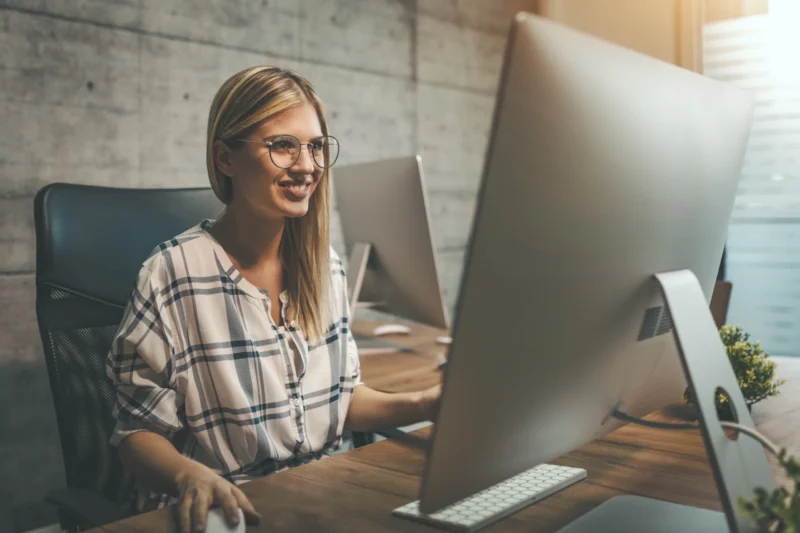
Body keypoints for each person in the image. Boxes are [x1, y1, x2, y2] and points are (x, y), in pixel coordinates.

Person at [107, 66, 442, 533]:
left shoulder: (325, 267)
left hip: (325, 496)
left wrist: (426, 403)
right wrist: (190, 475)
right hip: (231, 509)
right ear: (225, 158)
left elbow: (339, 401)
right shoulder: (171, 274)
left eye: (316, 146)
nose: (307, 166)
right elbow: (137, 432)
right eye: (283, 145)